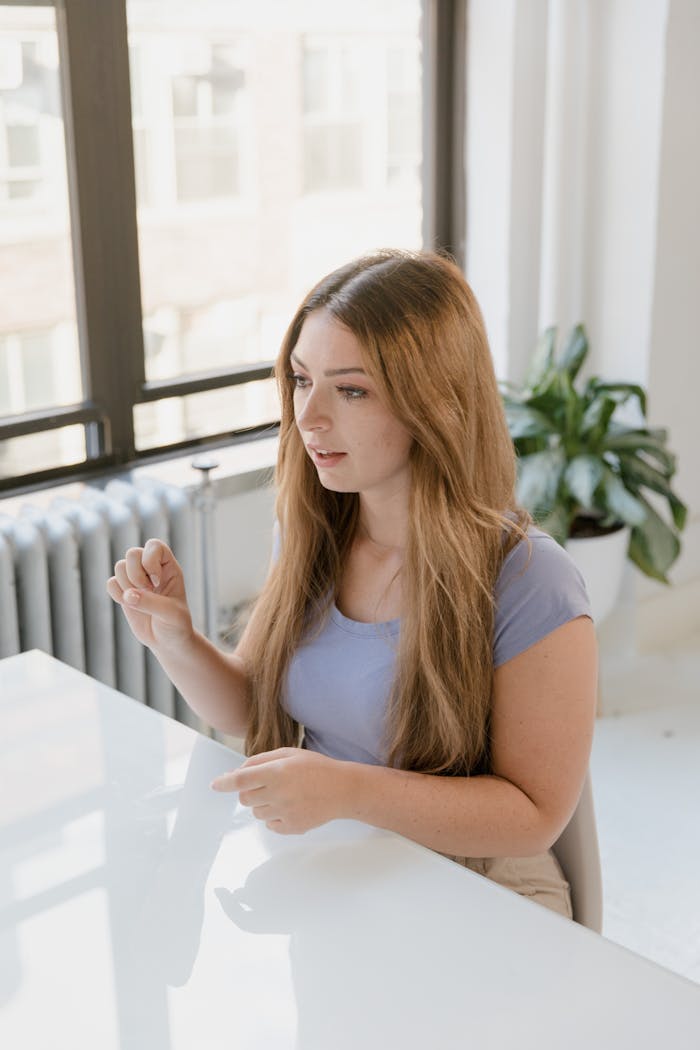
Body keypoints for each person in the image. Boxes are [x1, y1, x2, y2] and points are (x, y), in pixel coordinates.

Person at [107, 249, 597, 918]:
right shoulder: (316, 538)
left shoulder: (531, 580)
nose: (309, 417)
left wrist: (345, 791)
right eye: (302, 380)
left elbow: (533, 814)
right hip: (352, 864)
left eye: (352, 389)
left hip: (488, 892)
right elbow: (250, 709)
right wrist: (176, 638)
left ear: (436, 402)